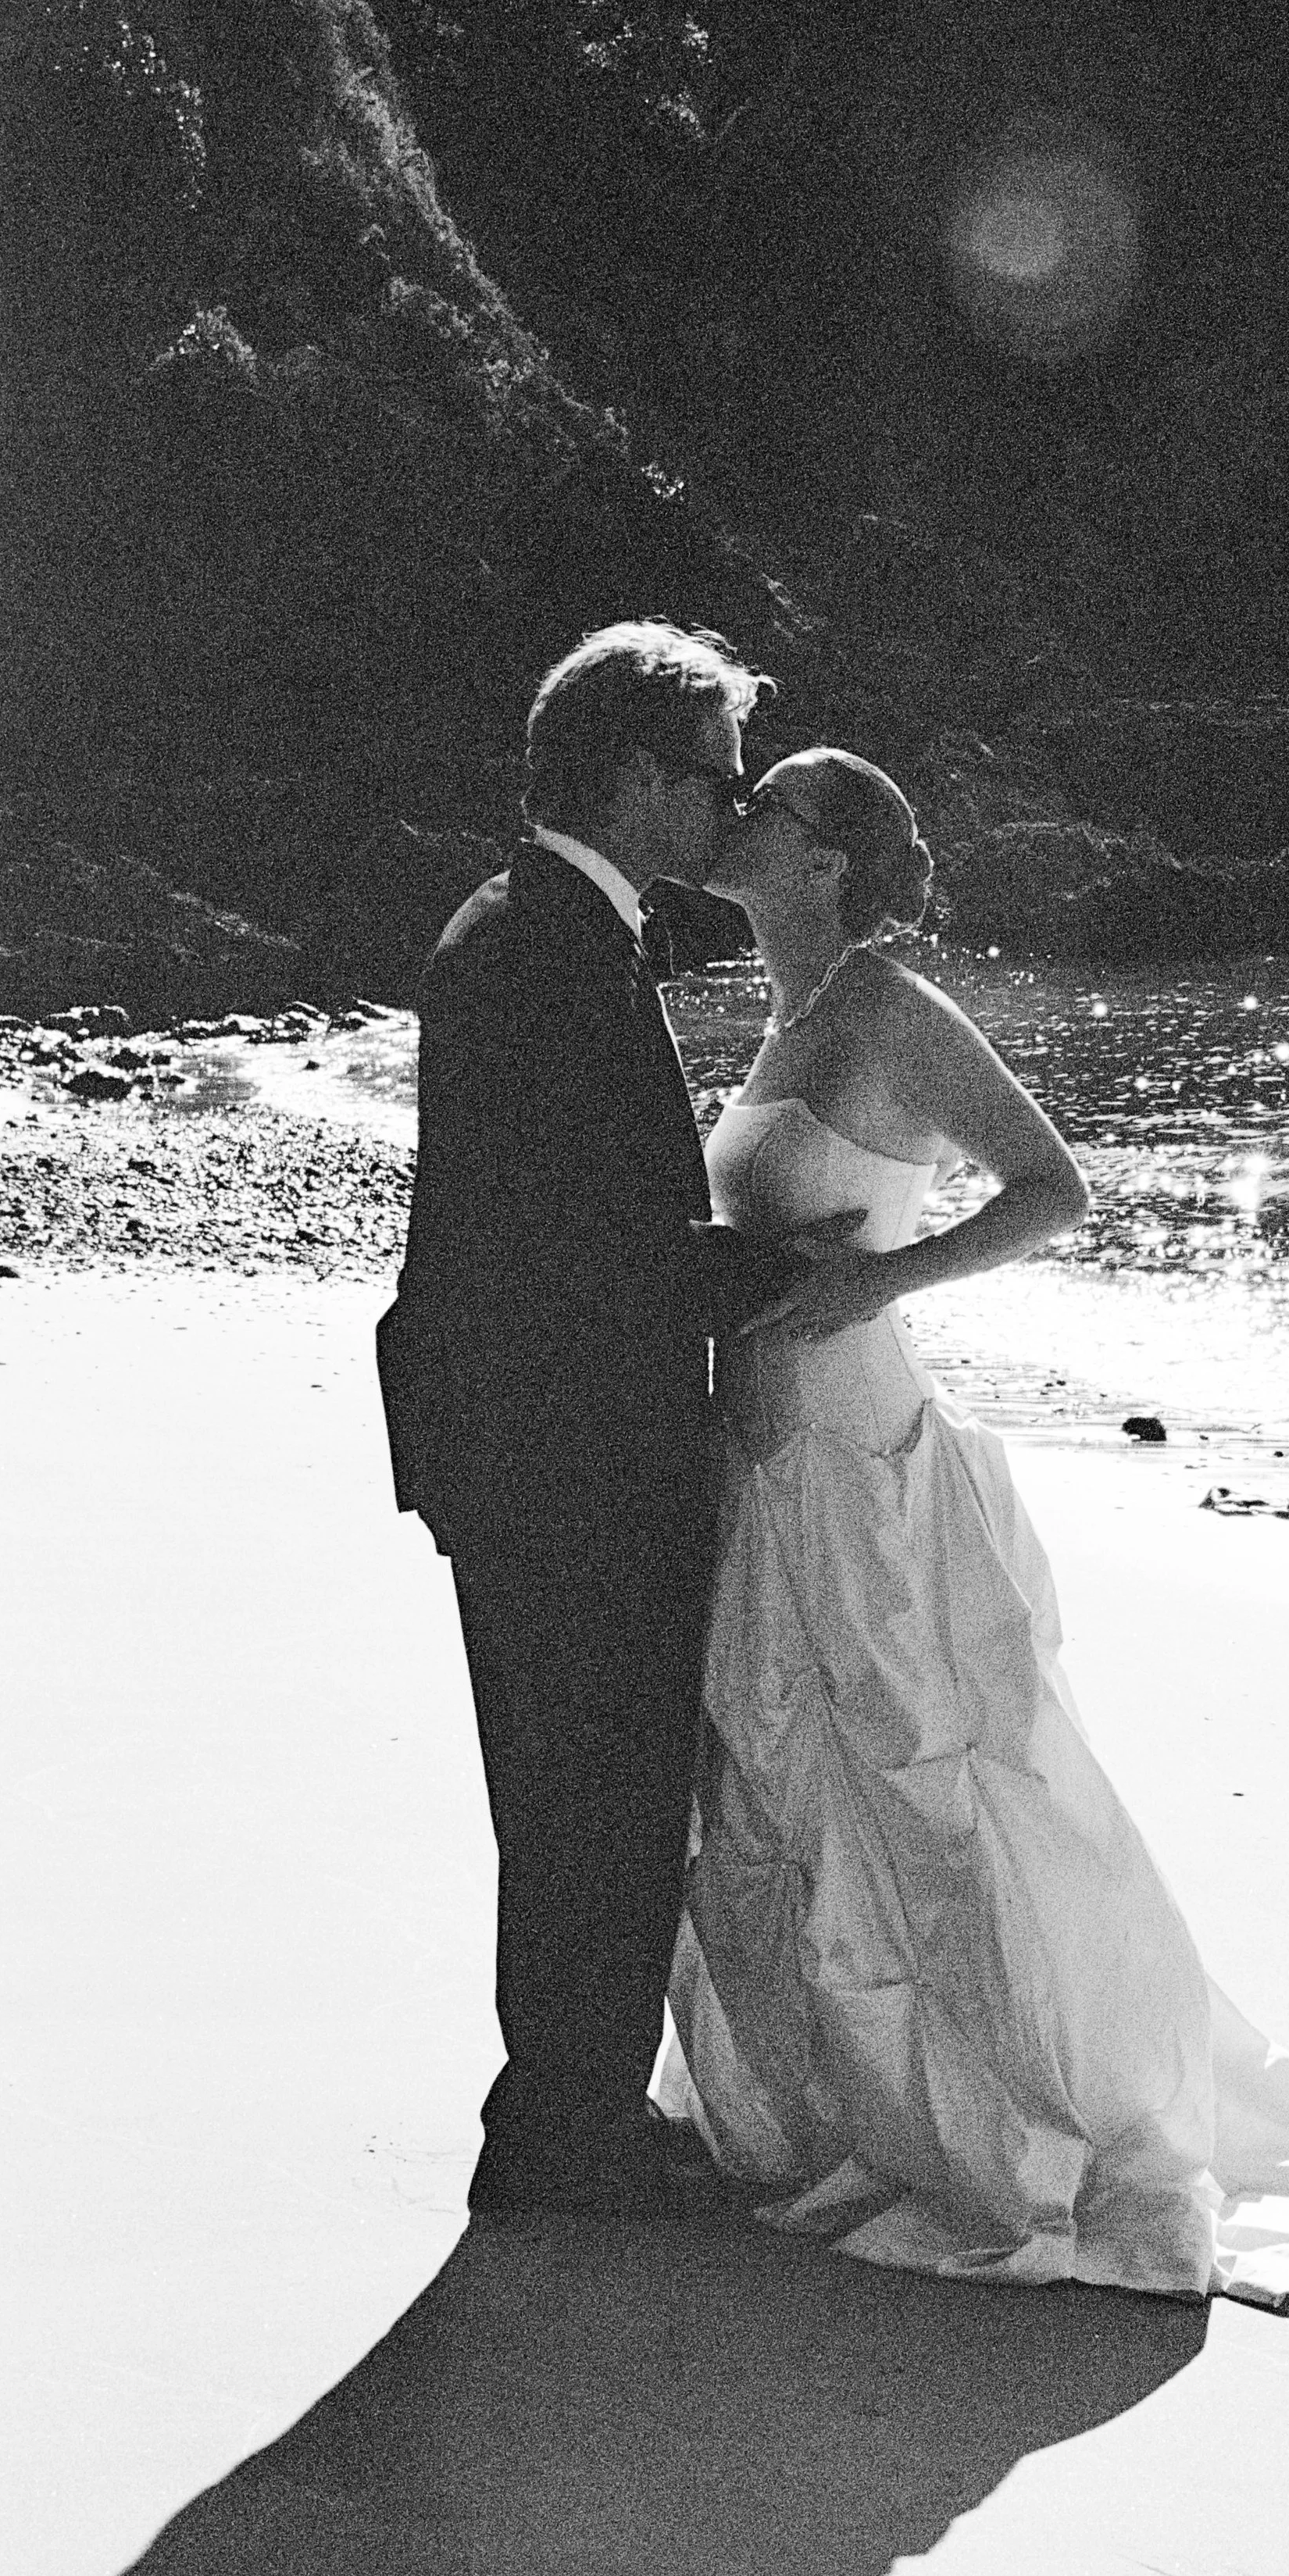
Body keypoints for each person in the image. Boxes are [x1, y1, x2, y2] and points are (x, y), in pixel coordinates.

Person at [658, 747, 1289, 2305]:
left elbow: (1050, 1188)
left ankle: (1011, 2122)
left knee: (918, 1773)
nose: (736, 818)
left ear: (826, 864)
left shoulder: (890, 1010)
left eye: (769, 808)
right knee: (789, 1780)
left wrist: (875, 1281)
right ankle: (847, 2109)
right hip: (763, 1450)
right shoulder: (787, 1017)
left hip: (856, 1440)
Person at [377, 622, 833, 2217]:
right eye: (711, 778)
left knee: (573, 1790)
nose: (725, 810)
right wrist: (780, 1263)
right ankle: (567, 2138)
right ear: (638, 778)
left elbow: (553, 1220)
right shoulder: (534, 947)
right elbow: (575, 1246)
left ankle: (559, 2115)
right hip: (561, 1448)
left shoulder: (540, 923)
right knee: (595, 1790)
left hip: (524, 1436)